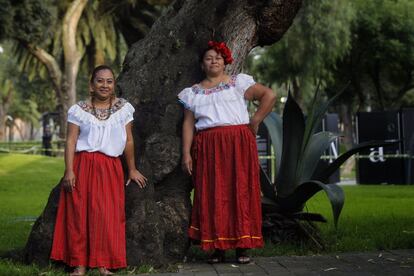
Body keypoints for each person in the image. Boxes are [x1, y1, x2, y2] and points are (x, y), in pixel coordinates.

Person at [178, 41, 277, 264]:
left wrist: (255, 121)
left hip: (238, 144)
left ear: (225, 62)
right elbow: (187, 124)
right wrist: (186, 154)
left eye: (218, 57)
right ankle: (217, 247)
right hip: (208, 145)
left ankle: (243, 247)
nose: (214, 61)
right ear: (202, 64)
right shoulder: (192, 93)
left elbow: (269, 95)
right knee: (213, 193)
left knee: (240, 191)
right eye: (209, 58)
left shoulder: (237, 83)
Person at [50, 65, 147, 276]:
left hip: (110, 166)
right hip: (82, 165)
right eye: (100, 81)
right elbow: (71, 141)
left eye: (109, 81)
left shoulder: (123, 109)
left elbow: (128, 140)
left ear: (114, 85)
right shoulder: (79, 110)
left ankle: (104, 264)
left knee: (106, 214)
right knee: (79, 213)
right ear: (92, 85)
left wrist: (131, 169)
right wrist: (69, 170)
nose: (105, 85)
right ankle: (80, 264)